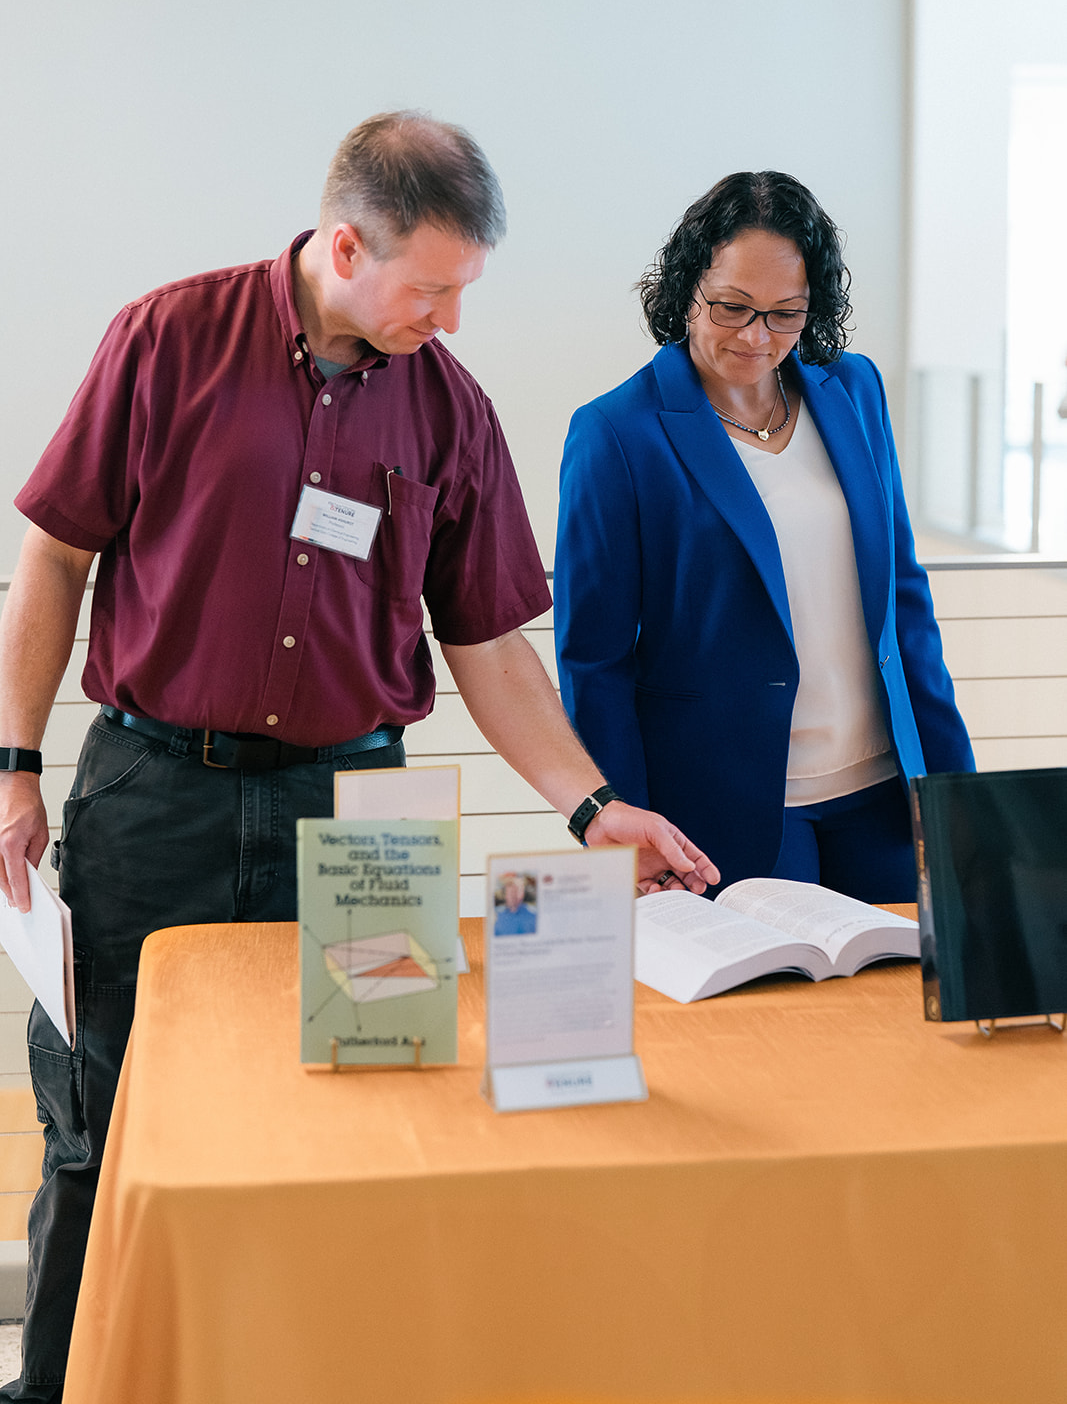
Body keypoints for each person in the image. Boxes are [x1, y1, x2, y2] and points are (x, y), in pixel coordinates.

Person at [0, 111, 715, 1402]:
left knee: (367, 1121)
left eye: (464, 290)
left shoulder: (449, 407)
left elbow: (489, 642)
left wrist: (591, 805)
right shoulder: (167, 340)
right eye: (430, 287)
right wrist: (12, 766)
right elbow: (55, 551)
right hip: (153, 792)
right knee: (100, 1131)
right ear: (345, 244)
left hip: (364, 816)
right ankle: (64, 1386)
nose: (448, 318)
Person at [555, 170, 974, 902]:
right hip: (726, 815)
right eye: (731, 308)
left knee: (898, 1013)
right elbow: (594, 659)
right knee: (765, 1020)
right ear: (685, 288)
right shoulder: (616, 434)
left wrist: (955, 788)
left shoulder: (853, 389)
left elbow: (904, 598)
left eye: (785, 314)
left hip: (883, 794)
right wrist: (622, 822)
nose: (756, 337)